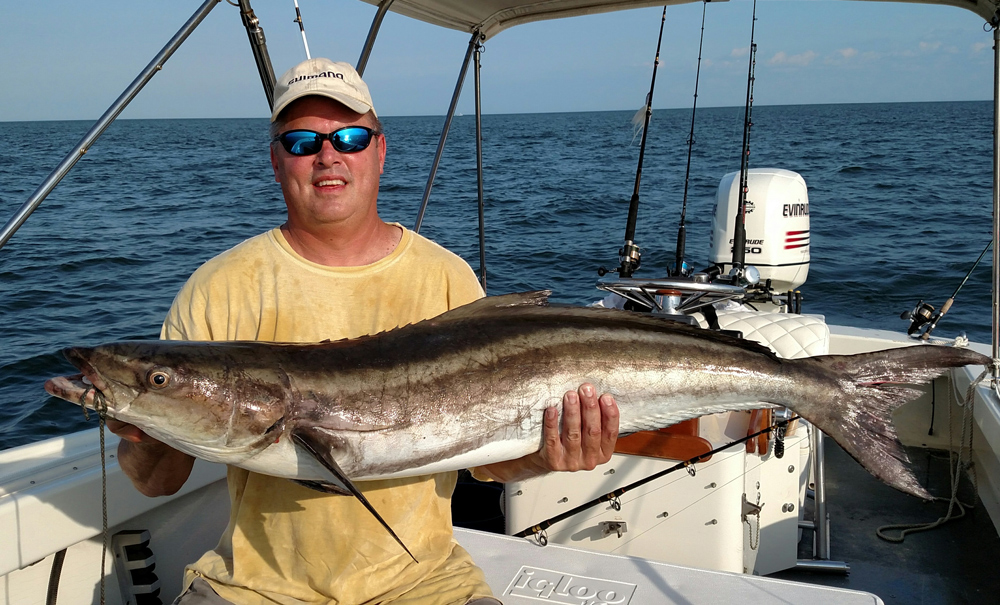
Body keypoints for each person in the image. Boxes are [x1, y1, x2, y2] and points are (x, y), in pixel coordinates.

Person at [108, 58, 620, 605]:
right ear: (276, 160)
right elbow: (156, 483)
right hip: (254, 590)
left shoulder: (444, 277)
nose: (328, 156)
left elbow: (484, 459)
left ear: (379, 150)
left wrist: (550, 452)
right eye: (302, 142)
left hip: (426, 585)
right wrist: (142, 420)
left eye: (349, 137)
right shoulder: (220, 288)